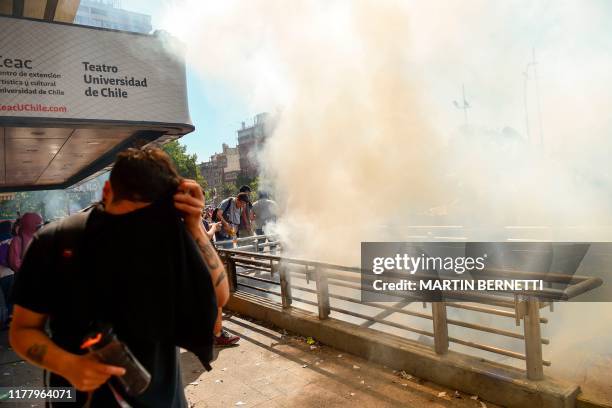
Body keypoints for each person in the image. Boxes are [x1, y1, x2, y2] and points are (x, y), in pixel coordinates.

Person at [9, 147, 229, 407]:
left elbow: (219, 297)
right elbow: (22, 330)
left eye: (147, 220)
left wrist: (194, 225)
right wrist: (69, 365)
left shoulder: (167, 234)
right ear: (106, 193)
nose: (138, 233)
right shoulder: (55, 242)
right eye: (128, 221)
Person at [0, 220, 13, 328]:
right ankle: (10, 321)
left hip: (1, 274)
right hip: (9, 272)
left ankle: (5, 321)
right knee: (11, 299)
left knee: (3, 299)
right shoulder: (10, 239)